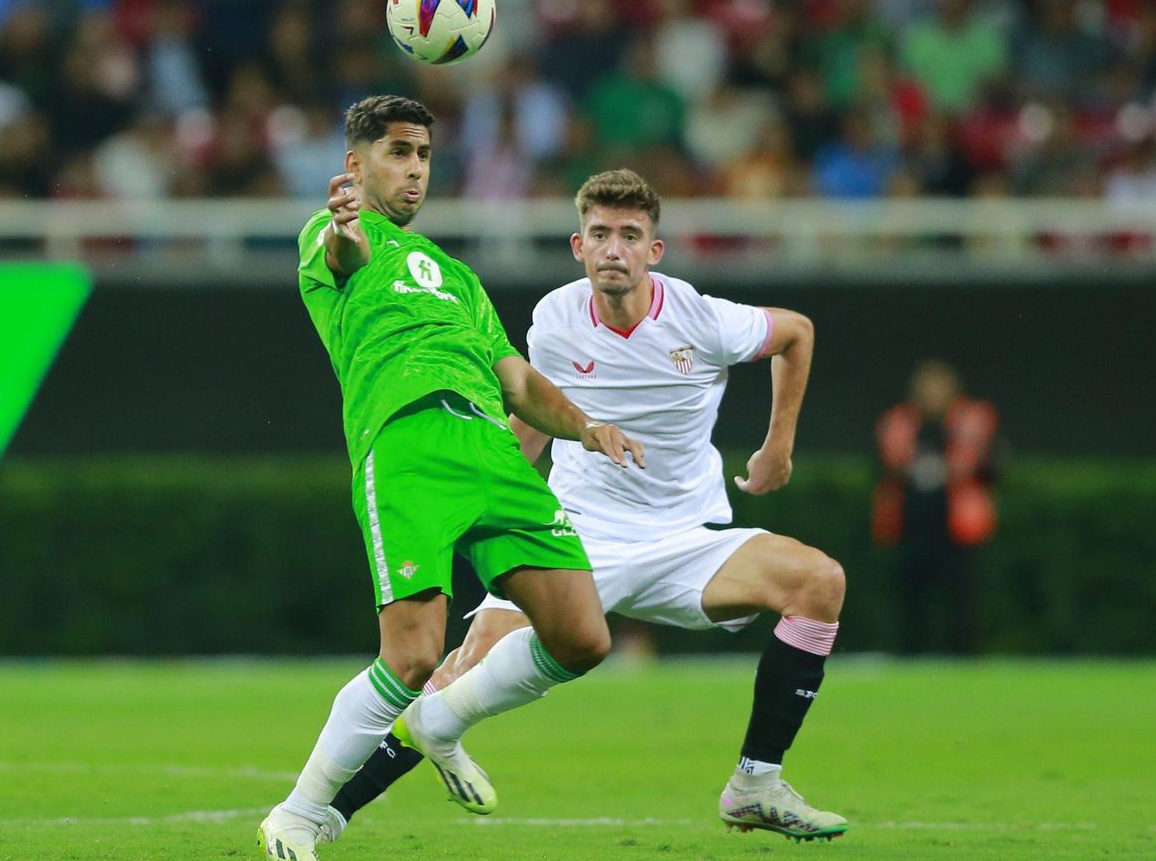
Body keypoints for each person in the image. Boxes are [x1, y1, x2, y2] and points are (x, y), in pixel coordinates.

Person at [321, 169, 850, 845]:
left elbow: (796, 333)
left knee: (819, 582)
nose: (614, 249)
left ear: (654, 251)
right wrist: (470, 501)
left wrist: (778, 447)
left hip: (684, 538)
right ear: (578, 245)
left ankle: (754, 785)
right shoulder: (557, 319)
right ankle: (327, 815)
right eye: (600, 233)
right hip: (575, 535)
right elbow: (536, 424)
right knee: (453, 678)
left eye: (631, 235)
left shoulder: (702, 318)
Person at [257, 96, 646, 861]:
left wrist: (586, 426)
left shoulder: (460, 278)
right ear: (355, 165)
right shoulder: (337, 235)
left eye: (424, 155)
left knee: (582, 636)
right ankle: (299, 814)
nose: (414, 169)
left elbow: (518, 382)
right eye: (398, 152)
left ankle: (441, 721)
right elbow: (345, 258)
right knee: (410, 656)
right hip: (408, 444)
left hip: (492, 449)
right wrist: (341, 227)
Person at [872, 360, 1000, 654]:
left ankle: (966, 659)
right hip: (910, 525)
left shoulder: (971, 420)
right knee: (909, 601)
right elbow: (885, 465)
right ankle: (908, 657)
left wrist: (948, 470)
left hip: (957, 528)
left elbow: (989, 466)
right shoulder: (900, 421)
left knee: (963, 600)